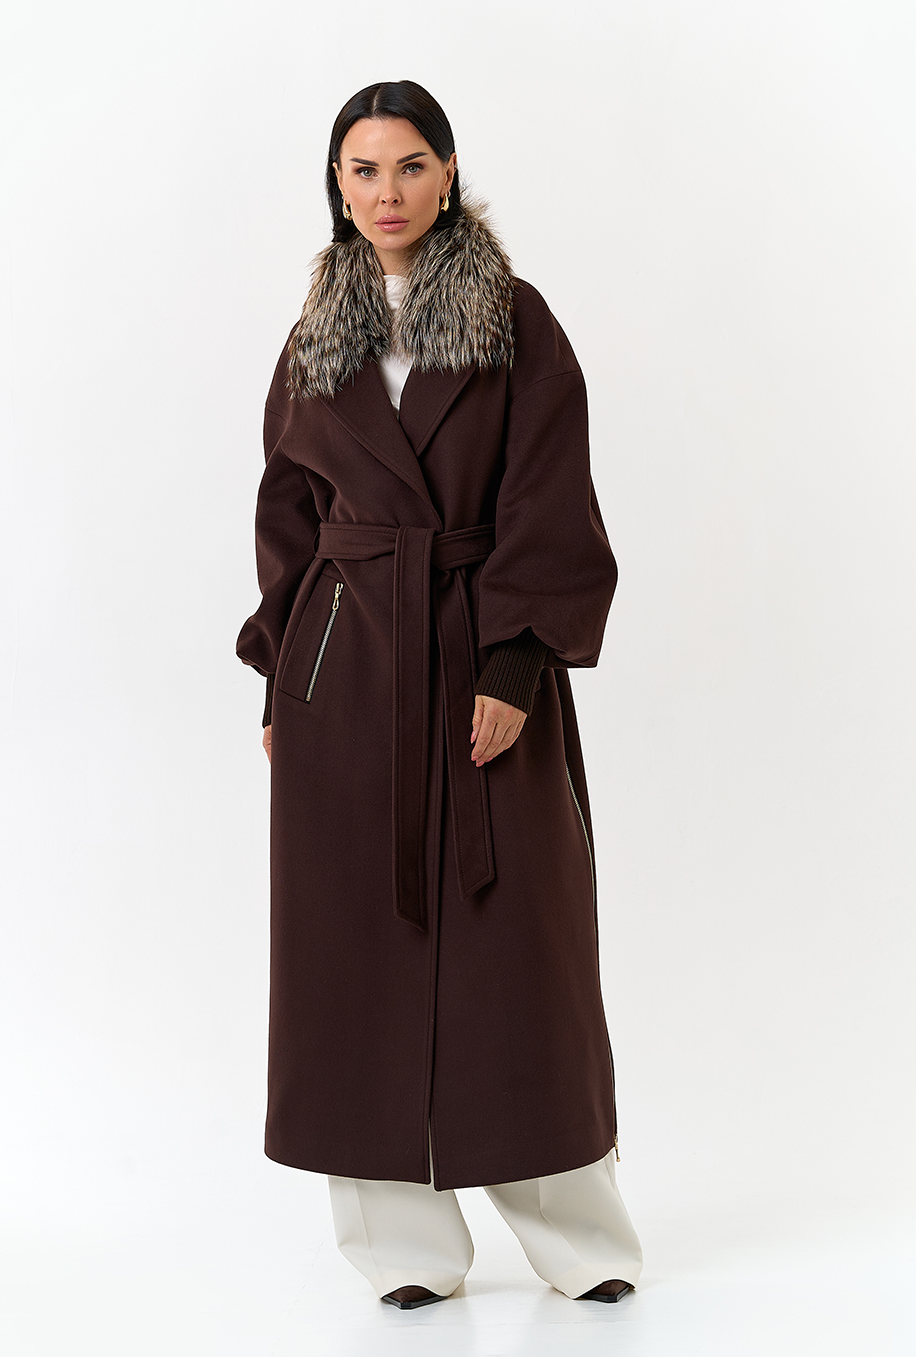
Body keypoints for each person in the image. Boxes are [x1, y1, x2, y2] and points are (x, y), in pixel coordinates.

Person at [236, 79, 643, 1310]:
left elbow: (549, 492)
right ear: (337, 184)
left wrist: (516, 661)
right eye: (362, 170)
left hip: (478, 653)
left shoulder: (514, 319)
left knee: (521, 956)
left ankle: (578, 1238)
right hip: (344, 676)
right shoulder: (317, 333)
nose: (387, 192)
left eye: (409, 166)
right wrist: (281, 678)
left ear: (449, 172)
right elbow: (287, 513)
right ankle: (402, 1250)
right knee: (352, 954)